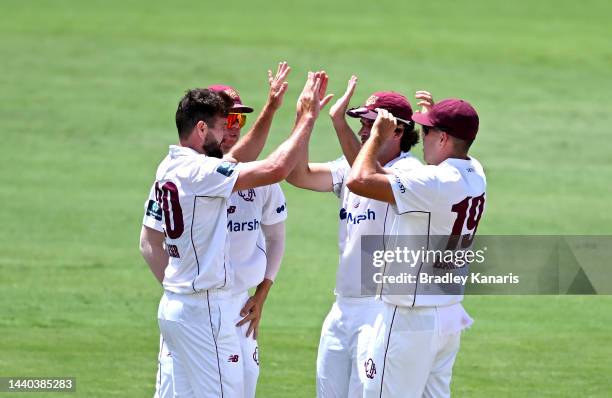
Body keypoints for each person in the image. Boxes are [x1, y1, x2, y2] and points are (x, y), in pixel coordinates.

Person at [139, 69, 332, 397]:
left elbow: (238, 158)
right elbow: (275, 169)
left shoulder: (172, 166)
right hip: (206, 308)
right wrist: (307, 118)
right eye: (220, 126)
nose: (228, 132)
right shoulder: (202, 173)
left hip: (181, 304)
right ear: (202, 129)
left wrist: (271, 109)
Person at [286, 76, 422, 397]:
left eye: (371, 124)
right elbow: (297, 174)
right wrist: (306, 120)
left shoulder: (411, 174)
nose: (363, 130)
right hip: (341, 308)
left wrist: (338, 126)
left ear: (397, 131)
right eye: (360, 122)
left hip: (379, 310)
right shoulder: (351, 166)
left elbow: (367, 177)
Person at [347, 92, 486, 397]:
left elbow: (358, 179)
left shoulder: (434, 183)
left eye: (427, 132)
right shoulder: (476, 173)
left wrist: (376, 137)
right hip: (448, 315)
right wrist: (434, 120)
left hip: (410, 318)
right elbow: (406, 176)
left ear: (444, 138)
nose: (422, 139)